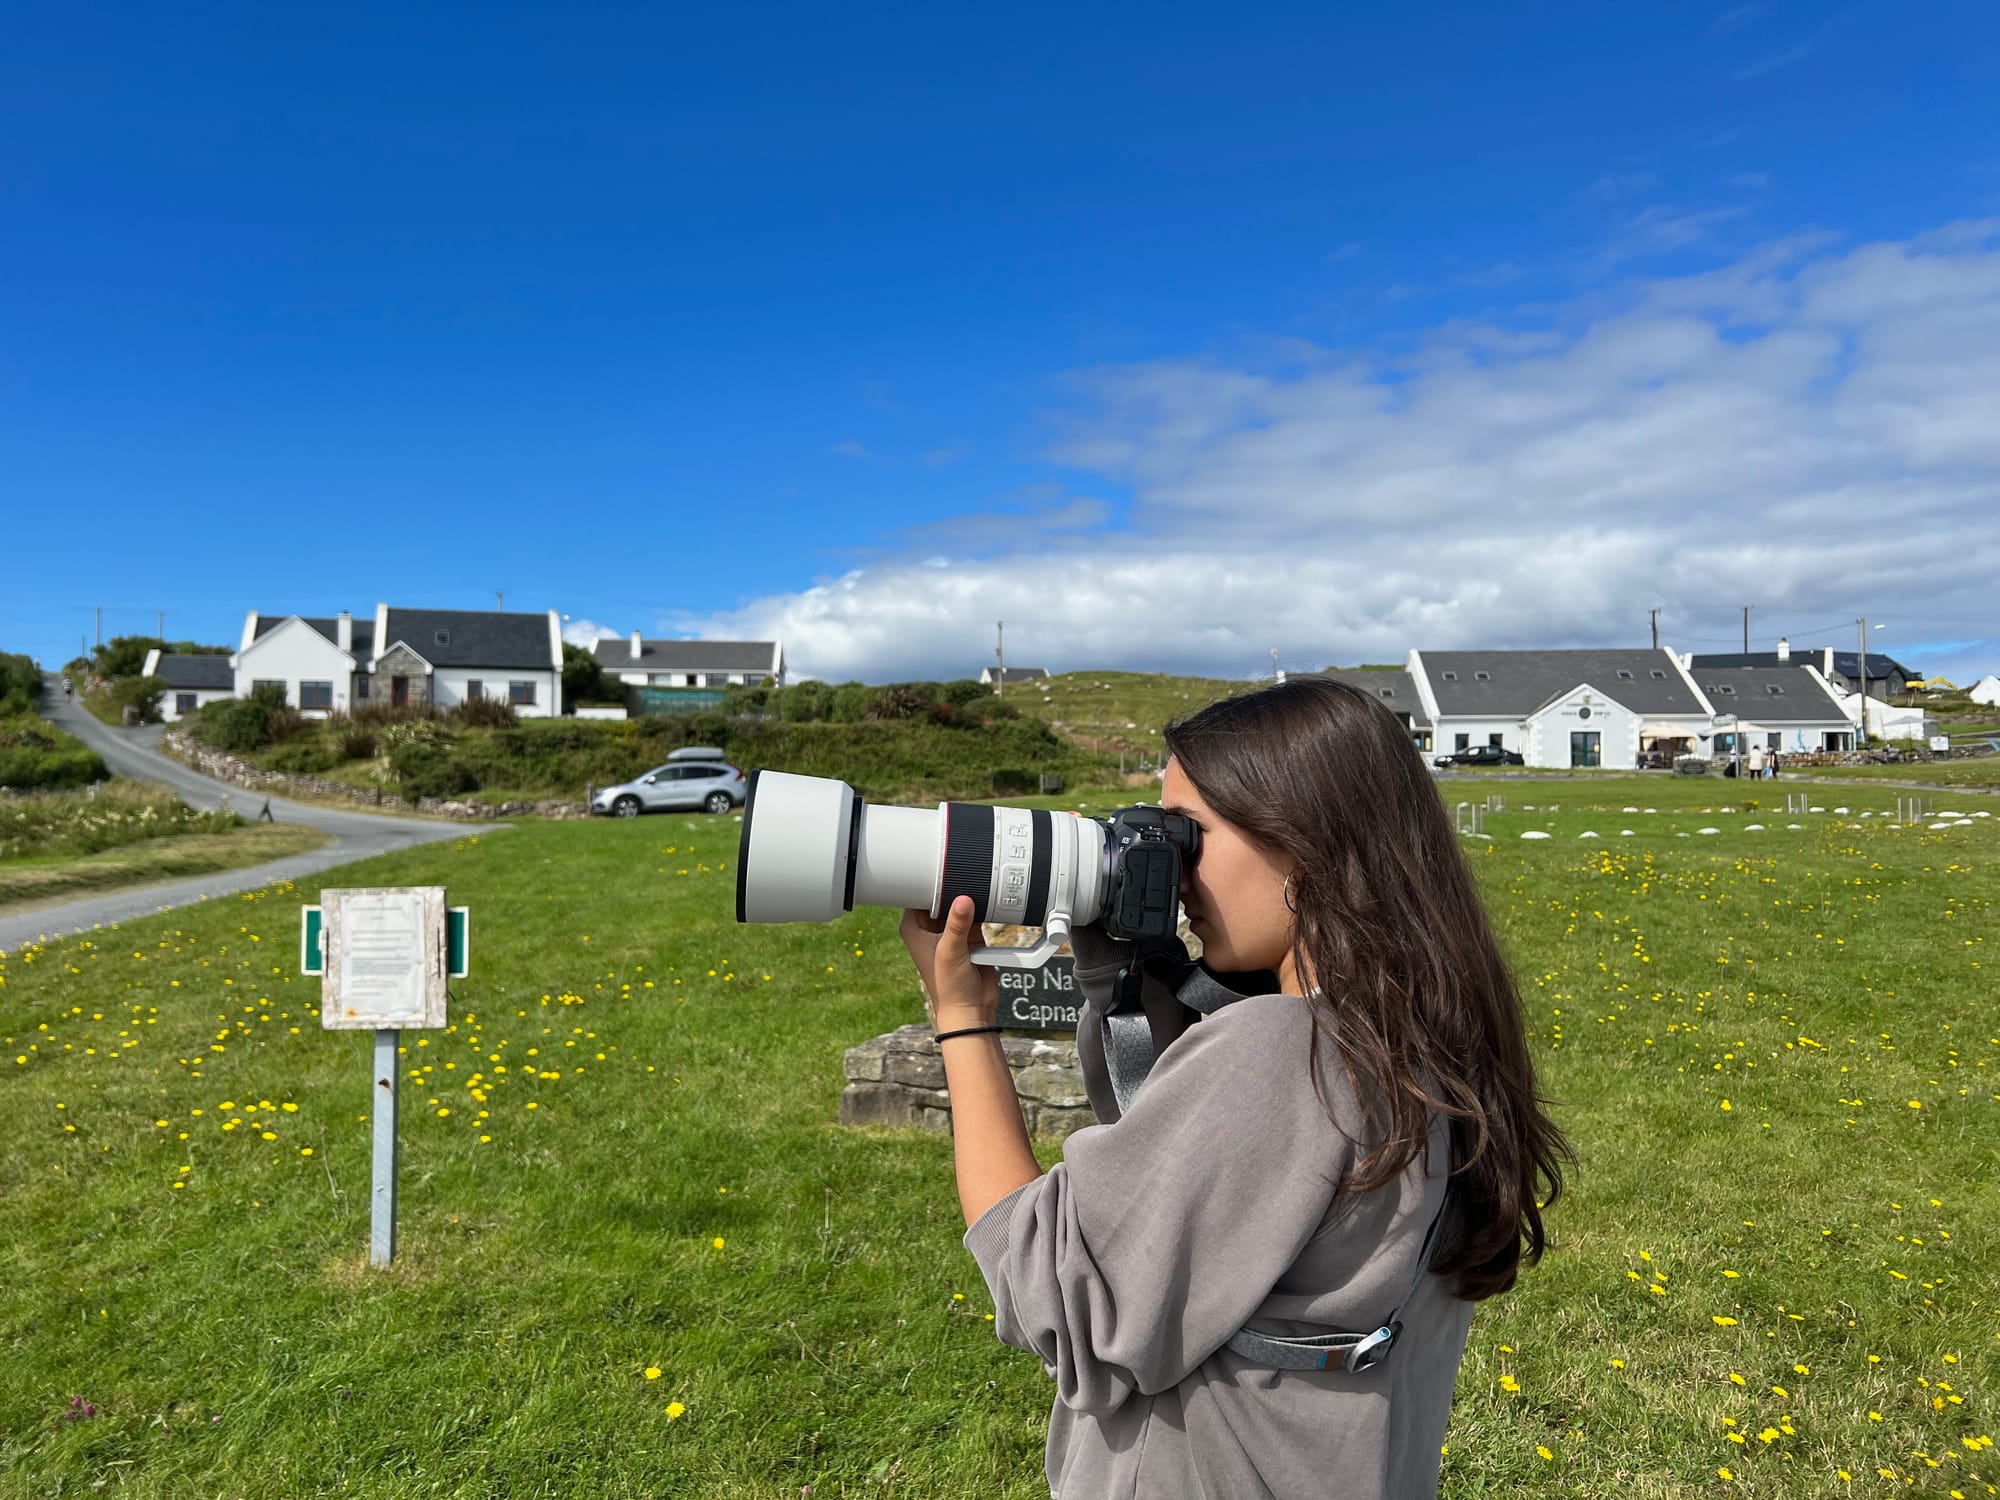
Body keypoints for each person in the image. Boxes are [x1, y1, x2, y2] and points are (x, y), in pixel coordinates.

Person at [900, 677, 1571, 1500]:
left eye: (1191, 834)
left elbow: (1061, 1304)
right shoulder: (1419, 1035)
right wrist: (1127, 967)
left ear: (1302, 840)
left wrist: (961, 1021)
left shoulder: (1286, 1053)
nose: (1173, 871)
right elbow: (1190, 1167)